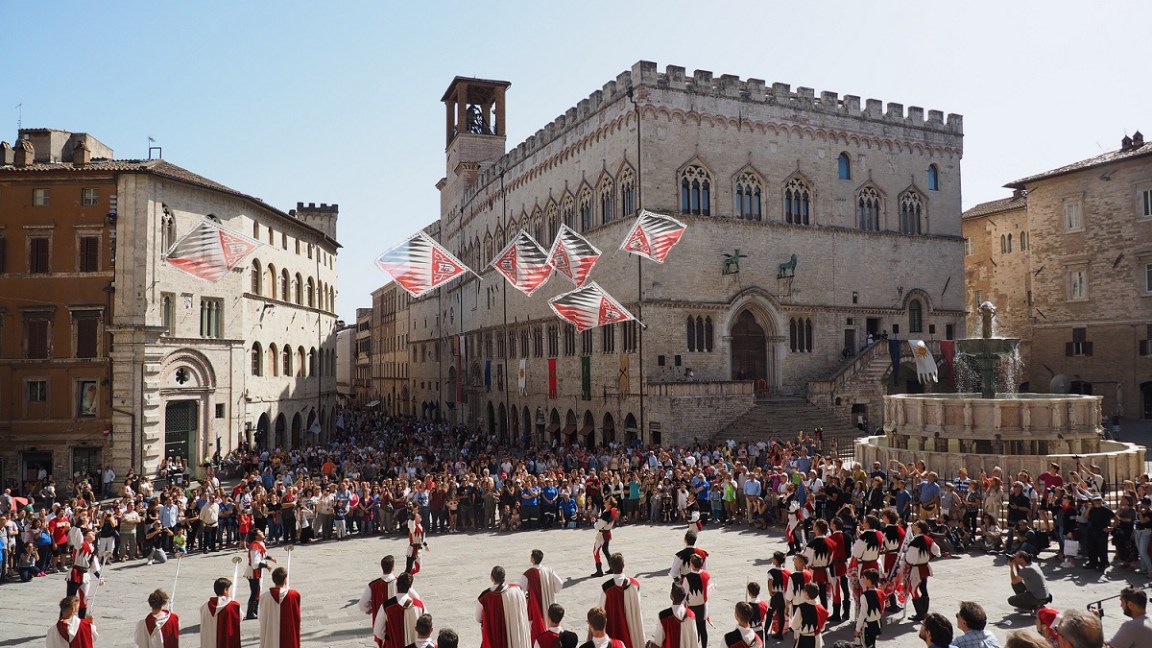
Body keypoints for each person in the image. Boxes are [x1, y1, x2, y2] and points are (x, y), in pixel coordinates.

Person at [476, 565, 532, 648]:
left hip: (495, 635)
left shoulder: (485, 597)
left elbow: (478, 618)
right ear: (504, 577)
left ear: (492, 578)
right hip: (514, 634)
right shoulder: (517, 590)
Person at [599, 553, 645, 648]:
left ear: (610, 567)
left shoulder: (606, 588)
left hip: (614, 626)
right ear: (623, 565)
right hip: (632, 627)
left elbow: (600, 610)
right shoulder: (635, 584)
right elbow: (637, 603)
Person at [374, 572, 428, 648]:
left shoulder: (386, 606)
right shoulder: (420, 605)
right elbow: (427, 626)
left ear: (396, 585)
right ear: (410, 588)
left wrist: (390, 638)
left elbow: (378, 630)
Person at [903, 521, 942, 622]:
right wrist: (928, 557)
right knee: (923, 588)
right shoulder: (928, 539)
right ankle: (924, 611)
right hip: (925, 567)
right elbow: (937, 552)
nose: (913, 526)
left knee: (913, 590)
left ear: (919, 529)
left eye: (915, 525)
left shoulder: (915, 542)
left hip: (916, 569)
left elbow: (911, 560)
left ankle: (920, 613)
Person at [521, 549, 564, 638]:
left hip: (535, 606)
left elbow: (520, 590)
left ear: (532, 559)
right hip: (549, 603)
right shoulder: (549, 570)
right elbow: (560, 583)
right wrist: (552, 590)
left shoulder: (528, 574)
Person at [360, 555, 401, 641]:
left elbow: (362, 605)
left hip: (381, 626)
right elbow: (416, 598)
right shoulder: (400, 582)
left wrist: (369, 608)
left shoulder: (373, 585)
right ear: (393, 567)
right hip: (398, 624)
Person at [258, 567, 301, 648]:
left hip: (271, 637)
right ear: (285, 580)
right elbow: (297, 617)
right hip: (289, 636)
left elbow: (261, 618)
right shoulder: (294, 595)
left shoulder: (264, 597)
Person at [67, 529, 103, 619]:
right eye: (91, 533)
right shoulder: (80, 544)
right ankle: (65, 620)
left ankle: (81, 621)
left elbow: (93, 565)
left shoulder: (93, 548)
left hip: (85, 575)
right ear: (85, 536)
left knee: (84, 599)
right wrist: (78, 525)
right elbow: (75, 533)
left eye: (94, 534)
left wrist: (99, 577)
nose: (94, 535)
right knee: (70, 599)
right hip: (75, 574)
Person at [200, 577, 242, 648]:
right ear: (225, 590)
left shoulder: (204, 606)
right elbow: (240, 617)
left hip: (210, 642)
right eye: (229, 589)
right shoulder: (233, 606)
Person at [246, 529, 277, 620]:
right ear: (256, 536)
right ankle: (250, 612)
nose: (263, 533)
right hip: (253, 572)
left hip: (258, 571)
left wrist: (271, 558)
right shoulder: (254, 547)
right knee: (255, 591)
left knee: (258, 591)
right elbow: (255, 563)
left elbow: (263, 555)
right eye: (261, 533)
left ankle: (254, 611)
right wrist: (266, 565)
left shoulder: (260, 544)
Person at [683, 555, 712, 648]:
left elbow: (684, 592)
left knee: (694, 629)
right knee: (703, 628)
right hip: (703, 605)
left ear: (691, 564)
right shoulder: (706, 574)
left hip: (692, 606)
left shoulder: (688, 577)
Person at [788, 583, 827, 648]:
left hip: (804, 639)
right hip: (816, 638)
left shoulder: (801, 608)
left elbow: (794, 625)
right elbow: (823, 627)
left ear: (806, 594)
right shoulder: (821, 608)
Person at [854, 569, 884, 648]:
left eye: (864, 578)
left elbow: (863, 614)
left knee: (866, 645)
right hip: (876, 623)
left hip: (867, 626)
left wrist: (857, 629)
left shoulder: (864, 596)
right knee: (872, 644)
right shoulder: (881, 593)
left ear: (869, 580)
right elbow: (882, 607)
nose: (862, 580)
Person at [765, 551, 790, 641]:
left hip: (775, 596)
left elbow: (770, 582)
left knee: (769, 614)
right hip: (784, 597)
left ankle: (765, 633)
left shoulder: (771, 572)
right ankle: (780, 633)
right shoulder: (787, 572)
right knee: (781, 614)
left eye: (773, 558)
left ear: (776, 560)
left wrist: (770, 592)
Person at [592, 499, 619, 577]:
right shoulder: (609, 512)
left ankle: (599, 571)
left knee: (595, 551)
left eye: (607, 502)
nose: (605, 502)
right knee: (605, 551)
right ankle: (612, 568)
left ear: (610, 505)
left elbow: (598, 526)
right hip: (606, 533)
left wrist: (594, 521)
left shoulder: (606, 514)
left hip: (602, 535)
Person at [406, 511, 429, 575]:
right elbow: (411, 524)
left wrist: (426, 546)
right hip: (412, 550)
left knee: (417, 569)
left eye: (418, 516)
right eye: (416, 517)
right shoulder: (413, 527)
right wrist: (412, 514)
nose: (418, 517)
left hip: (419, 550)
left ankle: (408, 577)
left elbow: (423, 539)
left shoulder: (422, 528)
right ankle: (404, 578)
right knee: (408, 568)